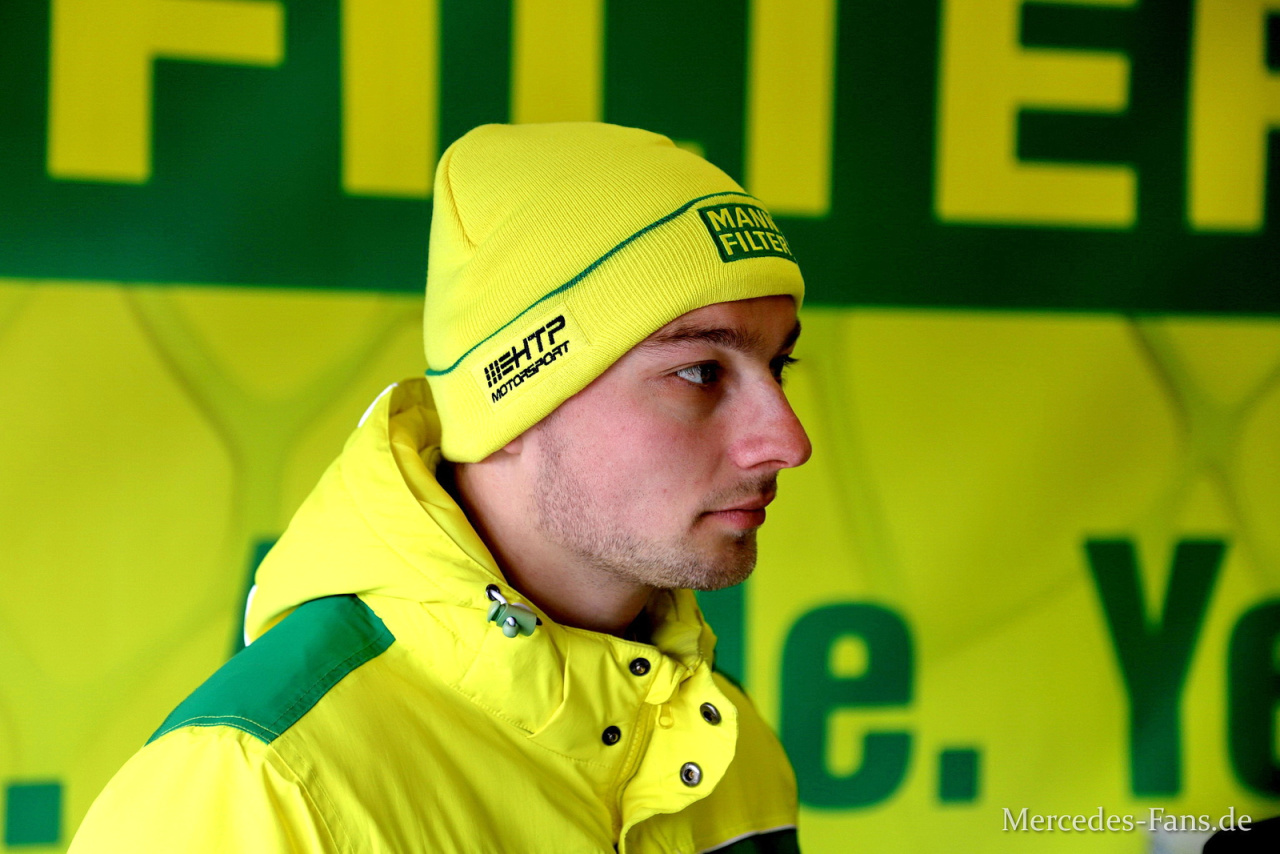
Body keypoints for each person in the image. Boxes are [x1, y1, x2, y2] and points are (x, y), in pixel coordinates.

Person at [70, 122, 812, 853]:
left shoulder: (726, 746)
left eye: (779, 366)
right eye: (699, 372)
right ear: (514, 400)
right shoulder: (259, 784)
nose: (788, 441)